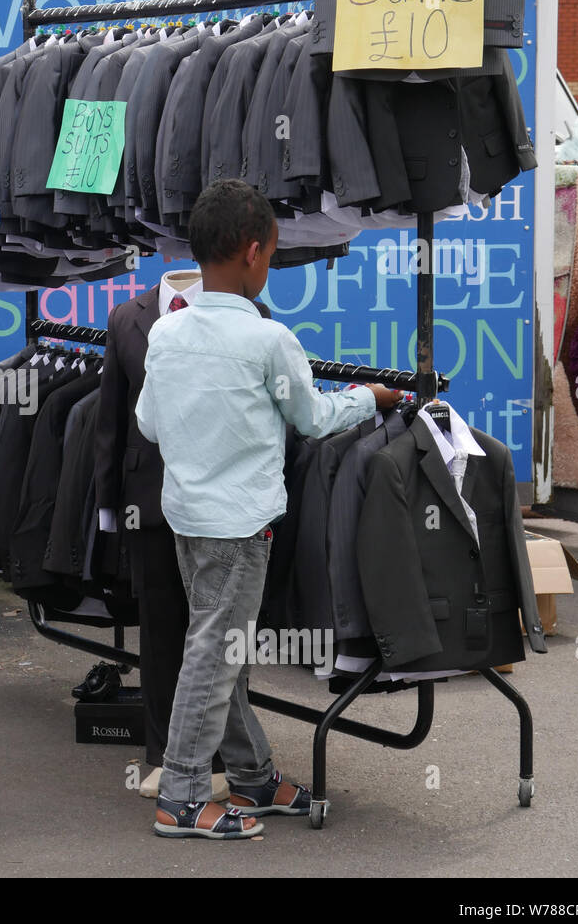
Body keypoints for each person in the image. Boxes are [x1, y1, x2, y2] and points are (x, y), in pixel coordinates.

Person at [136, 180, 403, 839]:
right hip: (240, 524)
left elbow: (147, 422)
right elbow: (314, 419)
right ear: (256, 253)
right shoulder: (269, 340)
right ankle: (183, 795)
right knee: (215, 655)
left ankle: (252, 777)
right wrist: (372, 398)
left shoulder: (165, 332)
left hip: (187, 518)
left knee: (220, 648)